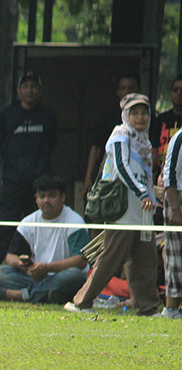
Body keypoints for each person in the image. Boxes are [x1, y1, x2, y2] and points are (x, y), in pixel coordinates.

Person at [65, 93, 160, 316]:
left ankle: (148, 307)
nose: (140, 117)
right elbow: (121, 167)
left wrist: (151, 197)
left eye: (144, 113)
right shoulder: (120, 134)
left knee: (145, 259)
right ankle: (81, 301)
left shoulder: (144, 140)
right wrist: (141, 193)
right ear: (125, 115)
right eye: (134, 113)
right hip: (124, 210)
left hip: (143, 210)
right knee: (111, 257)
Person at [0, 70, 58, 275]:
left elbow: (51, 143)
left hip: (39, 182)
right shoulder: (8, 115)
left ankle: (34, 267)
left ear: (39, 90)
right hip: (13, 181)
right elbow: (1, 144)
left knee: (36, 224)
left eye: (33, 86)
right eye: (25, 86)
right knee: (6, 223)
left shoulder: (47, 116)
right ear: (18, 90)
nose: (29, 90)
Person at [0, 174, 89, 304]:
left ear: (62, 197)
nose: (46, 200)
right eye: (42, 196)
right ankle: (52, 295)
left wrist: (47, 268)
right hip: (35, 276)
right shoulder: (29, 221)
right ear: (36, 198)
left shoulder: (75, 222)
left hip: (61, 275)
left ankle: (19, 295)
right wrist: (24, 265)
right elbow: (10, 256)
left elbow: (81, 261)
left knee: (75, 275)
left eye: (51, 196)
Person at [83, 73, 139, 193]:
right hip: (112, 176)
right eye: (123, 88)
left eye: (131, 88)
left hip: (139, 175)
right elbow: (96, 148)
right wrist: (88, 178)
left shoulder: (148, 118)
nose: (127, 91)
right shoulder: (108, 117)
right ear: (118, 92)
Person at [159, 125, 182, 319]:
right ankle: (172, 308)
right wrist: (175, 208)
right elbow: (169, 175)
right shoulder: (179, 138)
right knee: (176, 256)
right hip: (178, 198)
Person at [150, 74, 182, 183]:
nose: (179, 93)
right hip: (161, 175)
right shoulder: (162, 118)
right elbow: (154, 148)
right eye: (175, 89)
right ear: (170, 93)